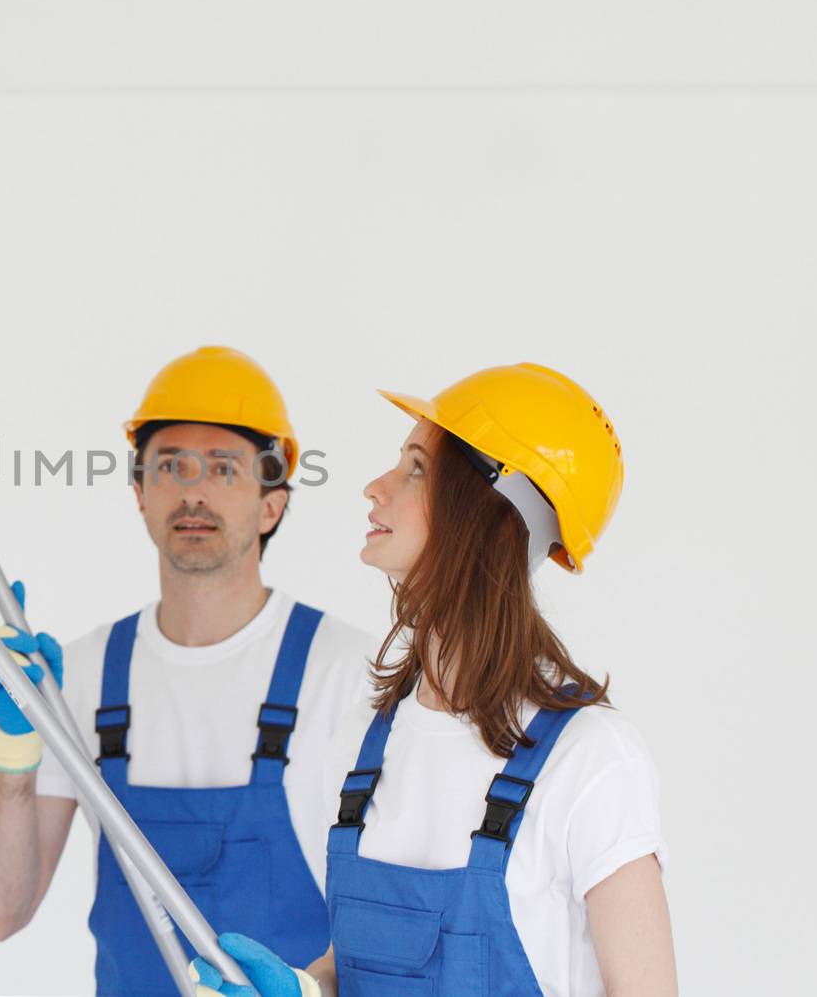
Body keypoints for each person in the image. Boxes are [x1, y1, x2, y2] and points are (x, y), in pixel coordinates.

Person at [191, 363, 677, 997]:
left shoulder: (589, 760)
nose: (374, 487)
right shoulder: (366, 745)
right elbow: (358, 965)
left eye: (416, 468)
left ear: (486, 508)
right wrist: (302, 991)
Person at [0, 346, 376, 996]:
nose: (193, 490)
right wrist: (17, 746)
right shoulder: (85, 672)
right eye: (170, 466)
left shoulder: (349, 672)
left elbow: (389, 930)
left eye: (223, 468)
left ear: (271, 504)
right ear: (139, 493)